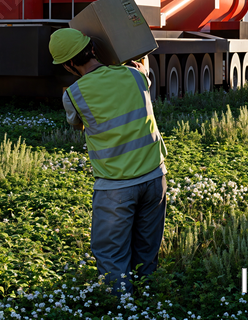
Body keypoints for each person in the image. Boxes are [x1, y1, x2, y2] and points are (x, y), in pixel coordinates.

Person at [49, 28, 167, 298]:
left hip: (115, 187)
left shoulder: (74, 95)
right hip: (154, 178)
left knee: (112, 254)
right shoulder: (134, 75)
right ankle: (148, 301)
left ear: (68, 64)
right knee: (146, 250)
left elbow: (77, 123)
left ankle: (120, 307)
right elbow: (144, 73)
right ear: (93, 48)